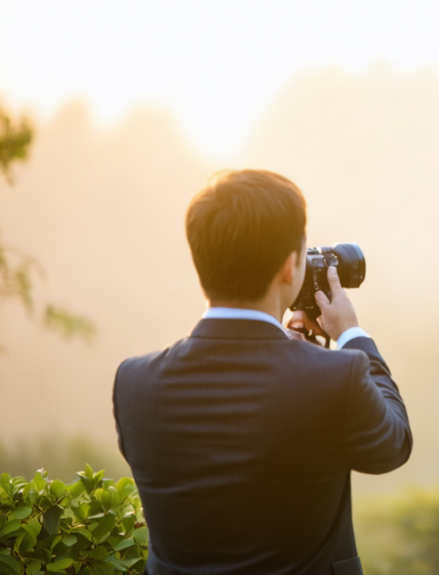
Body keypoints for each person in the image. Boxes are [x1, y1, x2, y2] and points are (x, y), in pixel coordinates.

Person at [113, 169, 411, 574]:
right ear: (290, 267)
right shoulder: (335, 379)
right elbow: (392, 445)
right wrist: (351, 337)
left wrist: (307, 362)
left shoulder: (133, 384)